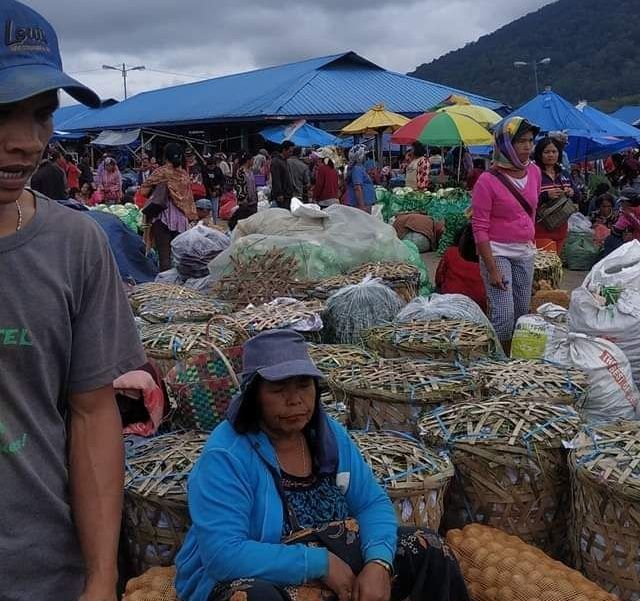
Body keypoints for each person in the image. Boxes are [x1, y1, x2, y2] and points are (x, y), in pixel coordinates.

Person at [0, 2, 147, 599]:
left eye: (40, 114)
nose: (24, 142)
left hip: (42, 573)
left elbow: (93, 415)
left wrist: (101, 577)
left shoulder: (75, 243)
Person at [175, 330, 470, 601]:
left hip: (335, 560)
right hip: (263, 574)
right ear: (254, 396)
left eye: (304, 385)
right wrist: (319, 564)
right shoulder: (226, 454)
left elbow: (371, 503)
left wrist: (378, 561)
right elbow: (223, 554)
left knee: (428, 547)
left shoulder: (326, 435)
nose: (295, 400)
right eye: (278, 390)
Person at [471, 117, 541, 354]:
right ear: (506, 144)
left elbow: (532, 210)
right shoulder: (487, 181)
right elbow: (479, 227)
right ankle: (497, 362)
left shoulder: (534, 172)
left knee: (522, 310)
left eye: (530, 141)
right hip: (497, 251)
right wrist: (491, 269)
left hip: (524, 251)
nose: (527, 146)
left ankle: (516, 359)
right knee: (503, 314)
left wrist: (530, 240)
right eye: (520, 141)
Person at [139, 142, 197, 271]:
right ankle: (179, 284)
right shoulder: (184, 175)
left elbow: (143, 191)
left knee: (164, 257)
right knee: (179, 256)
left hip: (163, 216)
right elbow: (188, 199)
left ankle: (166, 286)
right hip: (182, 219)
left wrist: (156, 188)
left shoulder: (161, 172)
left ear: (166, 157)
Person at [533, 137, 579, 254]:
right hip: (540, 229)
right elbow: (526, 200)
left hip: (561, 228)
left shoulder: (564, 174)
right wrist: (545, 195)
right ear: (539, 154)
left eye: (554, 152)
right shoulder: (533, 173)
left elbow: (578, 196)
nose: (551, 155)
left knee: (555, 266)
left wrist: (571, 192)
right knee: (545, 266)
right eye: (546, 152)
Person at [435, 229, 487, 313]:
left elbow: (438, 278)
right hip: (481, 304)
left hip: (451, 300)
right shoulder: (491, 257)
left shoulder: (451, 252)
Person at [345, 144, 376, 213]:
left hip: (365, 203)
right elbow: (357, 188)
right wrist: (361, 206)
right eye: (365, 155)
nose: (366, 158)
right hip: (361, 204)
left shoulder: (359, 167)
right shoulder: (357, 168)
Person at [271, 140, 295, 209]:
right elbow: (276, 179)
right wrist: (279, 194)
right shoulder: (276, 162)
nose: (291, 154)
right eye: (290, 151)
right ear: (284, 150)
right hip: (282, 195)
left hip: (287, 194)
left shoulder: (285, 161)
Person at [234, 151, 259, 215]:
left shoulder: (251, 171)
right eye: (252, 160)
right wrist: (243, 198)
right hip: (245, 201)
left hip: (253, 201)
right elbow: (239, 185)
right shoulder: (240, 171)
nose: (253, 161)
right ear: (248, 160)